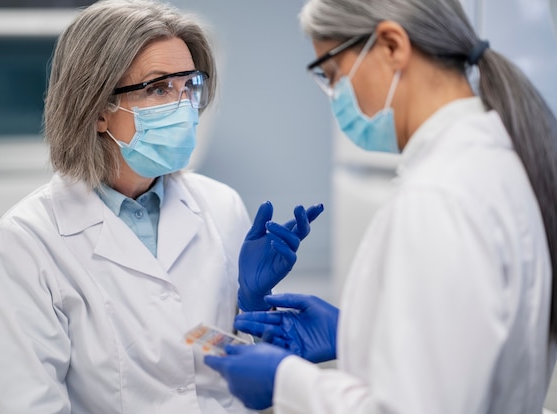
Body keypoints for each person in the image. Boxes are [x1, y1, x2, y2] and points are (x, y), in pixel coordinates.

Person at [204, 0, 557, 412]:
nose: (334, 97)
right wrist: (357, 332)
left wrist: (285, 381)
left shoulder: (438, 197)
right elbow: (464, 344)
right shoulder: (496, 161)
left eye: (332, 74)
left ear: (391, 45)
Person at [0, 0, 322, 412]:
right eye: (159, 88)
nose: (183, 107)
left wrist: (253, 307)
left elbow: (243, 372)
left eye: (189, 87)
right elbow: (31, 403)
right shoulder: (29, 237)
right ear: (97, 111)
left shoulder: (221, 206)